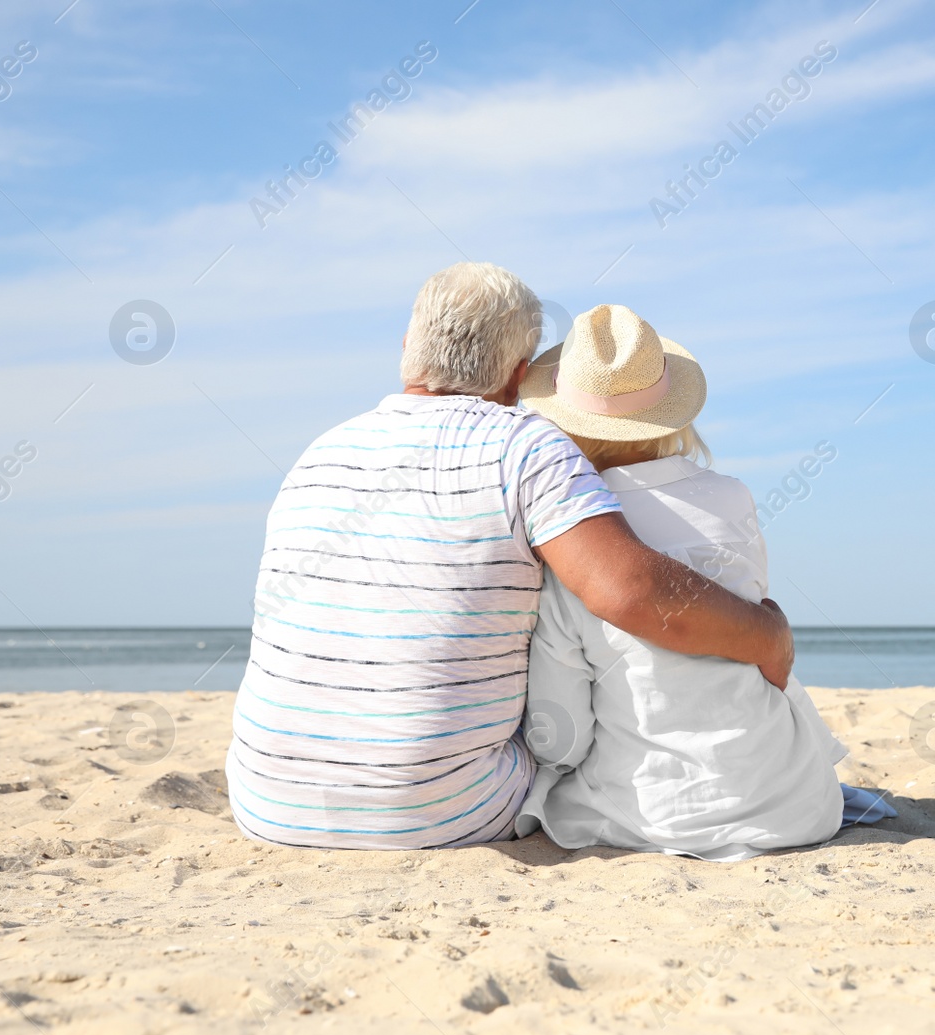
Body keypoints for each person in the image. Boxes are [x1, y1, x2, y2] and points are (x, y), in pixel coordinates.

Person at [224, 264, 795, 850]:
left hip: (265, 800)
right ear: (520, 374)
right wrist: (765, 635)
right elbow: (631, 592)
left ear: (407, 348)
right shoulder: (523, 445)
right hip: (439, 812)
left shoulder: (320, 452)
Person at [514, 304, 894, 861]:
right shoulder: (731, 498)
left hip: (659, 818)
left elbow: (562, 735)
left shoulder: (579, 537)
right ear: (672, 412)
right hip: (797, 806)